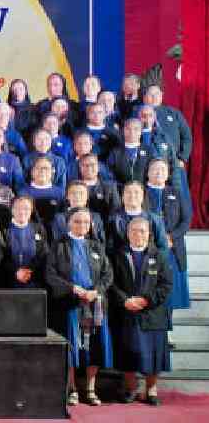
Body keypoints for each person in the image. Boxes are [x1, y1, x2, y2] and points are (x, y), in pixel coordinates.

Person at [46, 209, 113, 406]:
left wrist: (97, 290)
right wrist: (72, 288)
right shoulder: (58, 246)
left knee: (95, 348)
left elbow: (108, 274)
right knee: (71, 348)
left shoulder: (96, 246)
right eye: (77, 221)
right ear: (69, 223)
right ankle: (72, 389)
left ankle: (90, 389)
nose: (82, 225)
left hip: (94, 304)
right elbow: (50, 274)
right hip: (69, 305)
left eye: (86, 222)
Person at [109, 217, 172, 406]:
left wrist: (146, 301)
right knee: (128, 352)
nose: (138, 234)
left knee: (153, 354)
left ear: (149, 234)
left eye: (142, 231)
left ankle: (151, 390)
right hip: (127, 311)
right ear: (128, 234)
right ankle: (130, 388)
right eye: (134, 230)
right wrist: (125, 300)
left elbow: (166, 285)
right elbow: (111, 283)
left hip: (152, 314)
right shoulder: (117, 255)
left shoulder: (160, 255)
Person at [144, 158, 192, 311]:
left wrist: (171, 237)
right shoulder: (141, 191)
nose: (159, 173)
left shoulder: (176, 192)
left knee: (170, 292)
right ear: (148, 173)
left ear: (168, 174)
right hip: (150, 246)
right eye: (155, 169)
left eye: (163, 170)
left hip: (173, 248)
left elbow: (186, 220)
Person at [0, 196, 49, 288]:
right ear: (12, 210)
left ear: (31, 211)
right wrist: (16, 271)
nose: (22, 212)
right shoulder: (2, 229)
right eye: (18, 208)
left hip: (34, 280)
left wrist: (29, 271)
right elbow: (1, 256)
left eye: (26, 208)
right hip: (9, 281)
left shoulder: (39, 228)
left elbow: (43, 254)